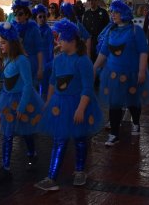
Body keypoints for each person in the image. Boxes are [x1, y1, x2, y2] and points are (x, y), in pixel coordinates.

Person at [34, 19, 103, 191]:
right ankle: (51, 177)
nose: (58, 42)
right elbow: (52, 82)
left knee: (80, 139)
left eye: (61, 39)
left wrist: (80, 108)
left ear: (71, 41)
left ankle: (80, 171)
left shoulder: (83, 61)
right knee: (59, 140)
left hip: (78, 103)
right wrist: (48, 102)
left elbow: (88, 88)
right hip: (59, 105)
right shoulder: (58, 59)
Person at [94, 0, 149, 146]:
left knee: (133, 101)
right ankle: (114, 134)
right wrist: (94, 68)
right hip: (112, 74)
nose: (113, 15)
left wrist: (142, 71)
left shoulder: (136, 30)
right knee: (114, 103)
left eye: (116, 12)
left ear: (124, 13)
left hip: (132, 73)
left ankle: (136, 122)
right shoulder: (111, 30)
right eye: (112, 12)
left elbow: (143, 52)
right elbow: (103, 52)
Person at [0, 22, 44, 184]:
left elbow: (28, 84)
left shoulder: (22, 60)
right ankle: (5, 168)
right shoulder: (7, 59)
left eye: (4, 43)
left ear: (12, 43)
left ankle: (32, 154)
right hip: (7, 100)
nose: (1, 46)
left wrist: (22, 106)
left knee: (26, 131)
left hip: (21, 100)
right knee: (7, 134)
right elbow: (6, 74)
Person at [11, 0, 44, 88]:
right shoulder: (12, 29)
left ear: (26, 15)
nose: (17, 16)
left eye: (20, 14)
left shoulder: (33, 29)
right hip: (17, 64)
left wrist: (40, 68)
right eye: (15, 13)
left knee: (31, 90)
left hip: (31, 64)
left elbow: (39, 49)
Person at [32, 4, 55, 99]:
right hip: (35, 59)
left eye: (44, 16)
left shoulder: (48, 30)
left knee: (44, 84)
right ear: (36, 18)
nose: (42, 19)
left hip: (46, 59)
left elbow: (51, 46)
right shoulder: (33, 29)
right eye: (40, 17)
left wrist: (50, 61)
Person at [81, 0, 110, 64]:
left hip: (100, 43)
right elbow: (84, 29)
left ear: (96, 0)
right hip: (89, 45)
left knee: (100, 64)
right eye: (89, 0)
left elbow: (108, 28)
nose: (91, 2)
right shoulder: (86, 14)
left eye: (92, 0)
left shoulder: (103, 13)